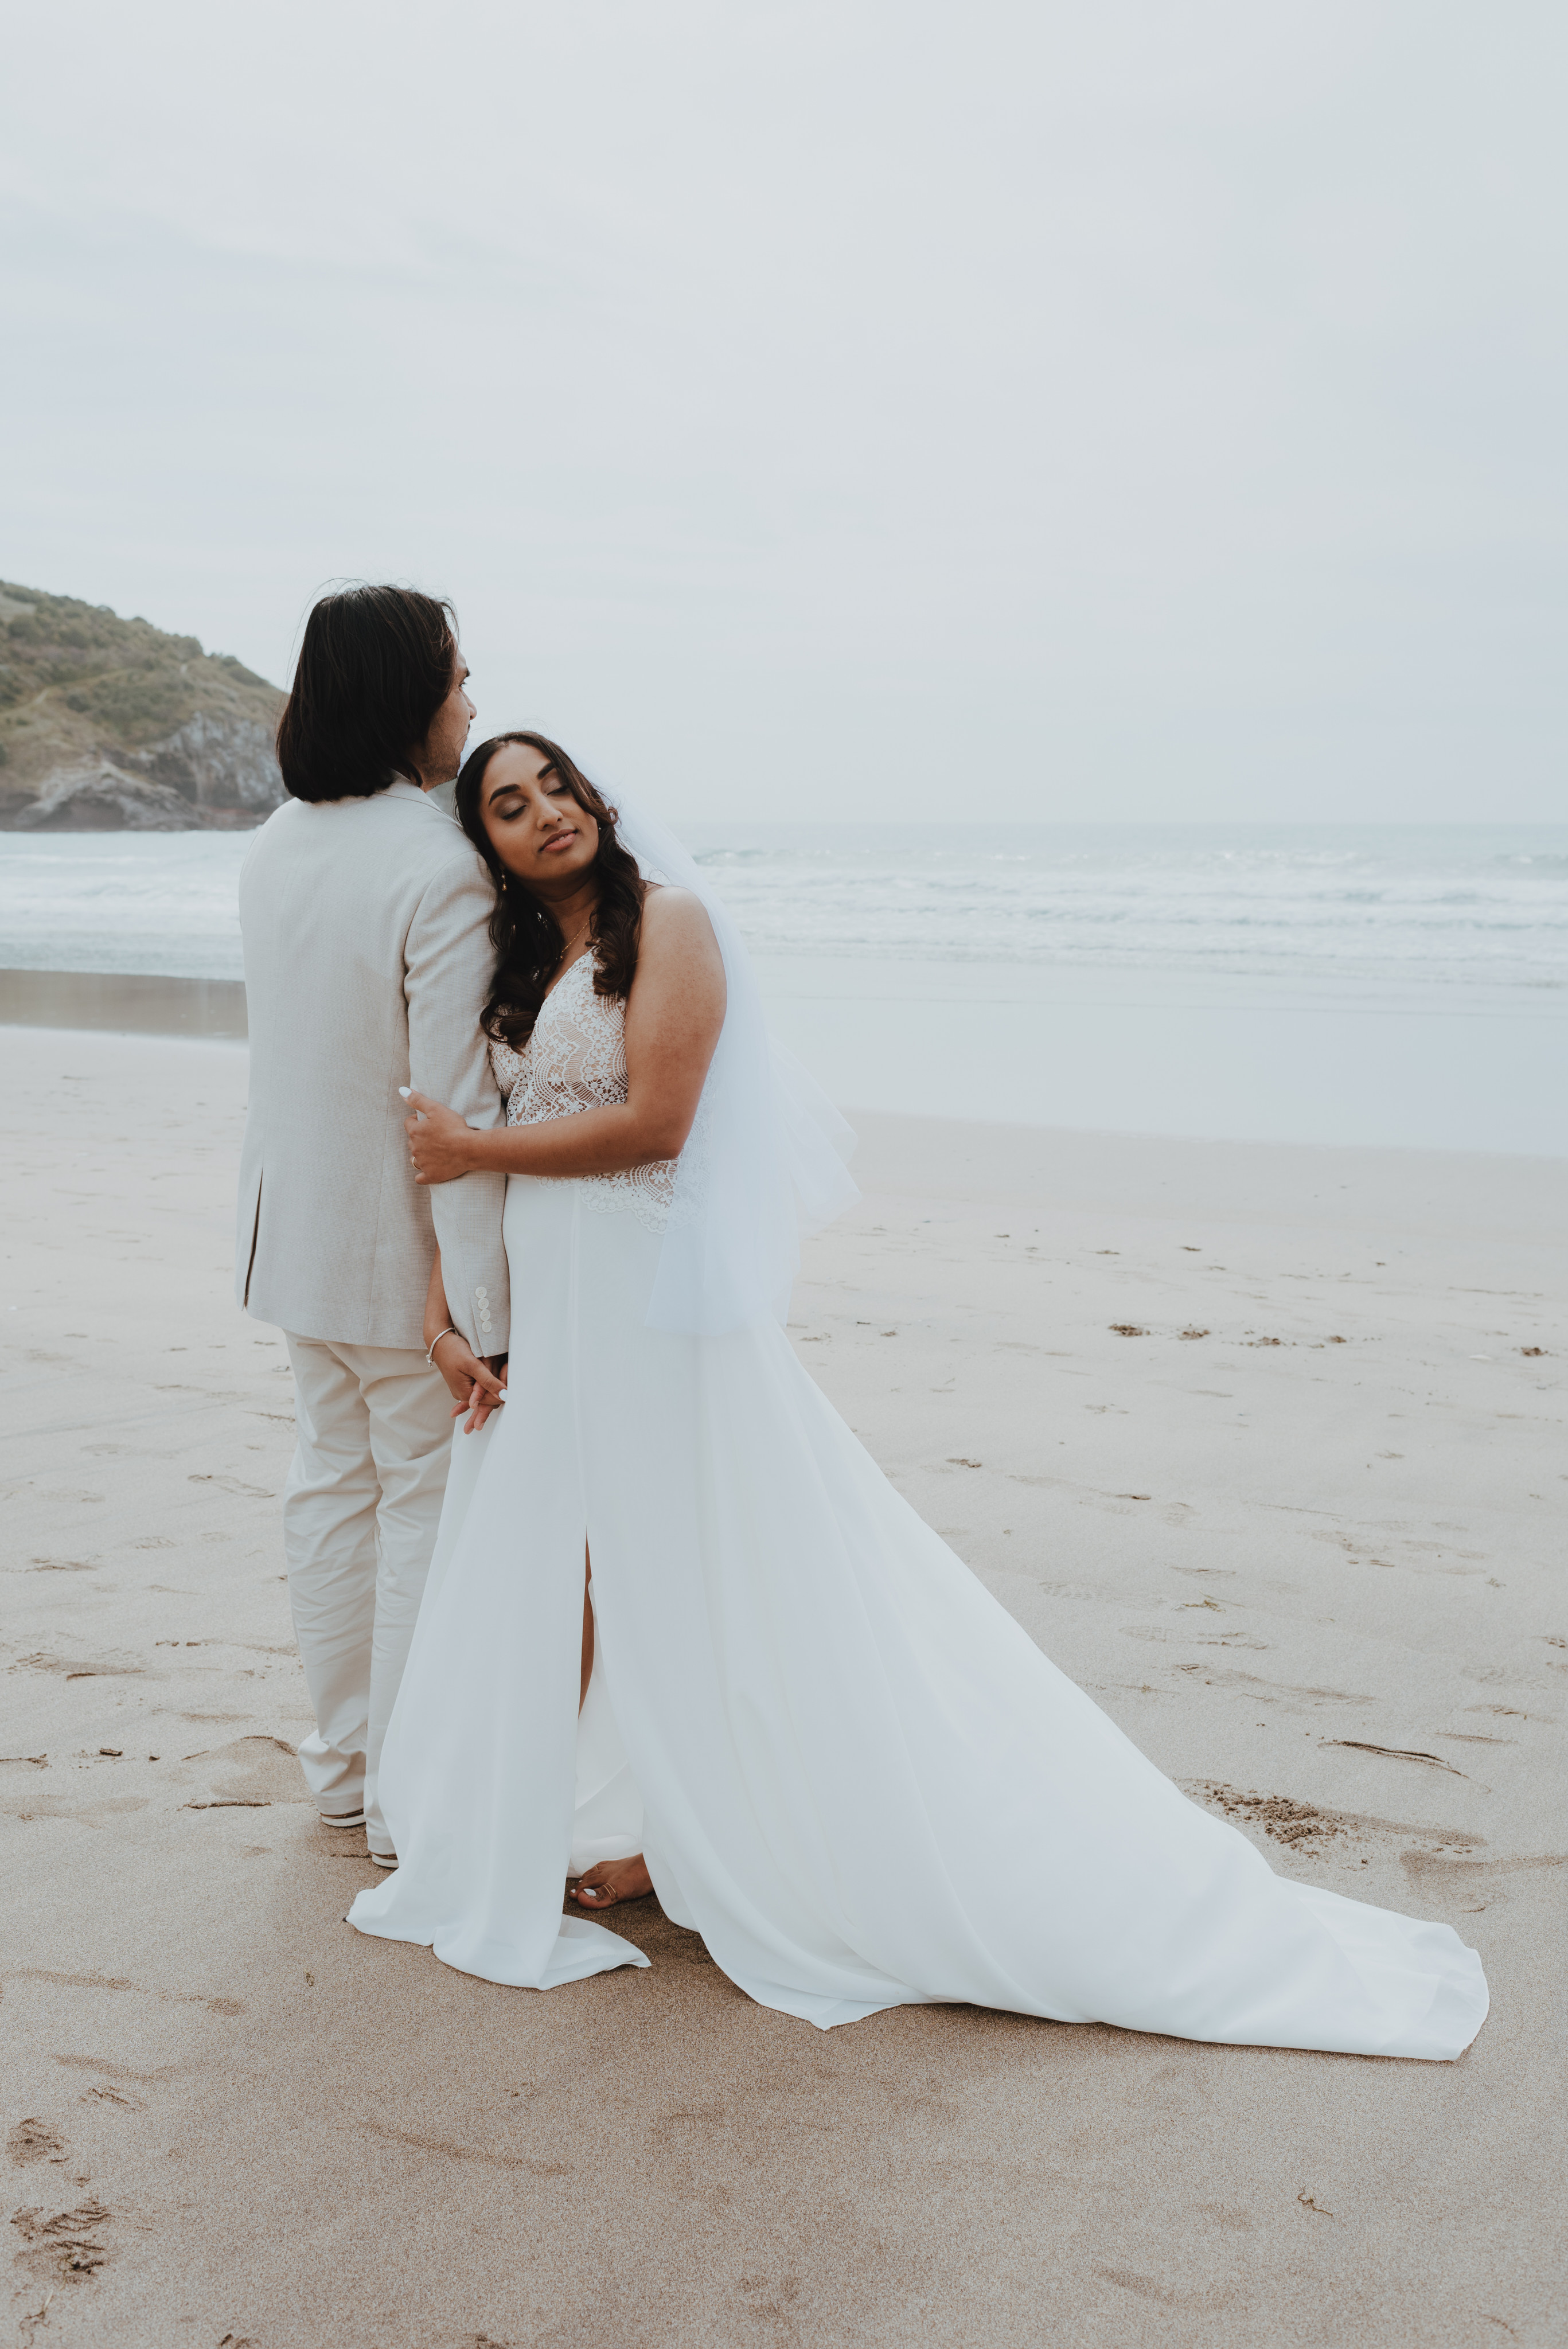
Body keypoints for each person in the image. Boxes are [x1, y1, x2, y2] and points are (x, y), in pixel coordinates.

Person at [348, 731, 1488, 2057]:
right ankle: (637, 1820)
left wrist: (476, 1142)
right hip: (556, 1323)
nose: (542, 813)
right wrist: (444, 1317)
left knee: (719, 1561)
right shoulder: (523, 969)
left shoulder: (673, 923)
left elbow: (658, 1120)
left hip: (655, 1321)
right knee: (590, 1566)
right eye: (507, 804)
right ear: (482, 842)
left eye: (555, 787)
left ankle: (717, 1833)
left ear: (596, 801)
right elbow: (461, 1179)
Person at [236, 587, 509, 1867]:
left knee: (327, 1492)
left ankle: (342, 1770)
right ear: (411, 693)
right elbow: (441, 1102)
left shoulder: (275, 842)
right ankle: (403, 1798)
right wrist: (474, 1305)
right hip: (400, 1259)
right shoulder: (440, 863)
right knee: (415, 1510)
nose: (471, 700)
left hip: (290, 1234)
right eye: (459, 677)